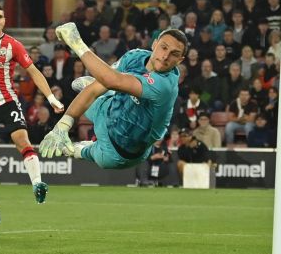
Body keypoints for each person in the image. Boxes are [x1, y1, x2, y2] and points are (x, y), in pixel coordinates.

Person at [0, 3, 64, 234]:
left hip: (7, 101)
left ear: (4, 19)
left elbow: (33, 71)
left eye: (0, 16)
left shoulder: (12, 45)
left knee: (21, 139)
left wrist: (50, 98)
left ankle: (37, 182)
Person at [39, 23, 187, 172]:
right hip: (107, 110)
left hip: (118, 152)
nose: (166, 56)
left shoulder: (165, 84)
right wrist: (62, 125)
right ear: (155, 44)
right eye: (164, 47)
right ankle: (103, 90)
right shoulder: (134, 56)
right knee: (94, 87)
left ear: (180, 60)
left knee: (84, 152)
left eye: (174, 53)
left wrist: (75, 42)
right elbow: (101, 85)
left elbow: (111, 80)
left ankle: (79, 150)